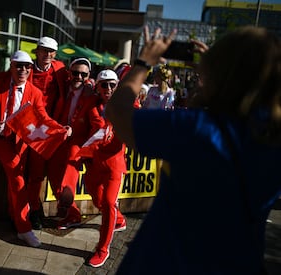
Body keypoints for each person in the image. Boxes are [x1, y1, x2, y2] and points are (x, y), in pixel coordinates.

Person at [106, 25, 281, 274]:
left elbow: (116, 110)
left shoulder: (199, 130)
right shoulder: (273, 138)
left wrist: (143, 62)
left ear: (221, 73)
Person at [0, 50, 68, 247]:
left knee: (17, 182)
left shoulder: (34, 92)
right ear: (11, 65)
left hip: (13, 142)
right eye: (19, 65)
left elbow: (42, 117)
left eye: (27, 66)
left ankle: (23, 228)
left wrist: (59, 129)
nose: (23, 69)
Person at [48, 57, 105, 229]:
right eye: (75, 73)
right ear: (69, 73)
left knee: (71, 165)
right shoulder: (62, 87)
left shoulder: (91, 96)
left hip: (79, 140)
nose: (79, 77)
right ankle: (71, 212)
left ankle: (69, 199)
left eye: (83, 74)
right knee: (53, 173)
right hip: (58, 137)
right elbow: (55, 64)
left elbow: (97, 121)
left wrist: (98, 137)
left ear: (89, 76)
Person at [82, 69, 127, 268]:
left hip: (114, 166)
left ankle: (103, 249)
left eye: (112, 84)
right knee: (97, 198)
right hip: (94, 163)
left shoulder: (126, 104)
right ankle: (119, 220)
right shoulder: (91, 104)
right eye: (104, 84)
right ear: (97, 87)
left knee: (109, 203)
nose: (108, 88)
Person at [25, 36, 68, 230]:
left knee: (54, 172)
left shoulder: (59, 68)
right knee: (34, 174)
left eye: (51, 52)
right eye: (44, 50)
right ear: (37, 51)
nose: (47, 55)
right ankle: (34, 210)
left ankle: (63, 210)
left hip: (53, 128)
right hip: (32, 128)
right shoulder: (26, 68)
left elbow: (76, 80)